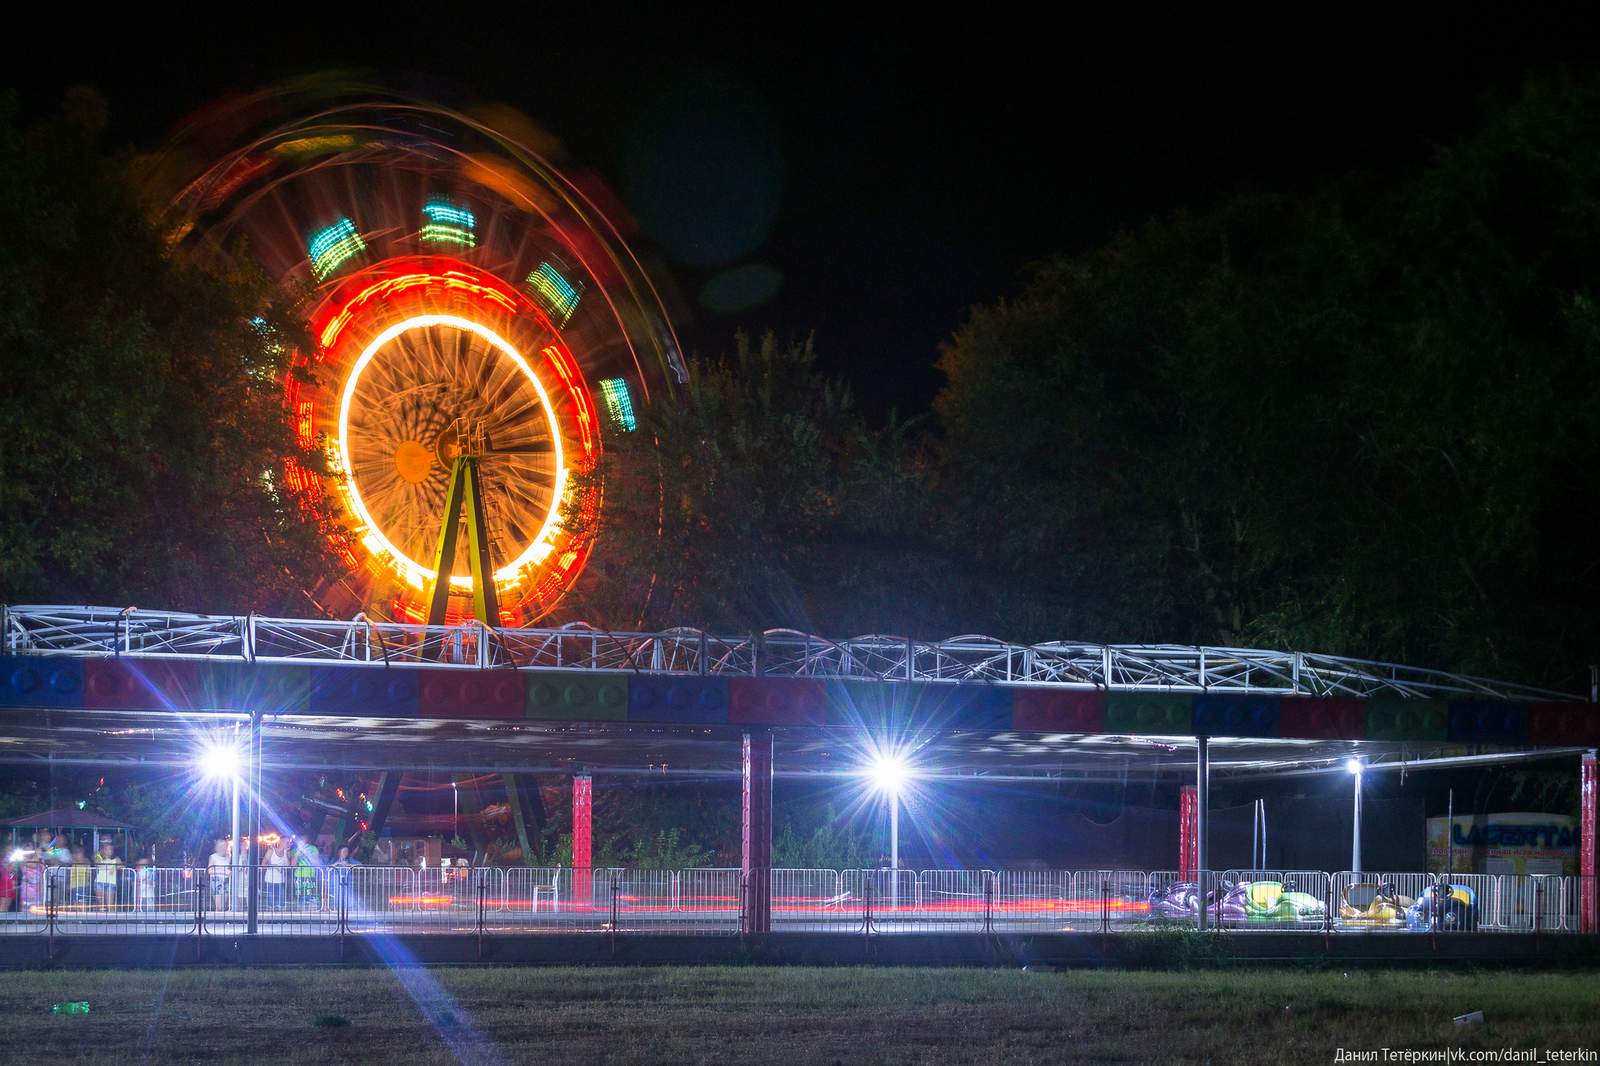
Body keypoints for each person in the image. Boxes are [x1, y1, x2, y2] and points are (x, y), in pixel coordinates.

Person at [93, 840, 122, 909]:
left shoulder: (115, 858)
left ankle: (111, 918)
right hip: (99, 882)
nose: (108, 851)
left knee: (110, 904)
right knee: (101, 904)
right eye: (106, 849)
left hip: (110, 882)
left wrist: (115, 867)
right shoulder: (99, 858)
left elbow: (122, 865)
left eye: (110, 849)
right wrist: (99, 855)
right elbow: (96, 865)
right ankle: (100, 917)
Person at [294, 839, 320, 910]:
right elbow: (292, 865)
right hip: (298, 877)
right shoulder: (294, 849)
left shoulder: (312, 848)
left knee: (312, 898)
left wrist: (306, 853)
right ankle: (302, 918)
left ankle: (312, 918)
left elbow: (317, 863)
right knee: (300, 899)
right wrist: (297, 853)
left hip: (311, 876)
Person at [263, 839, 289, 910]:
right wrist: (276, 866)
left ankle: (282, 919)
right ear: (281, 842)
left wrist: (285, 852)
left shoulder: (287, 853)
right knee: (271, 902)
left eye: (288, 842)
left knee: (281, 902)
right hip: (270, 879)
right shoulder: (271, 850)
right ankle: (270, 919)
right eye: (286, 842)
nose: (288, 844)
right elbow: (264, 863)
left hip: (280, 880)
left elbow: (287, 866)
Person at [207, 838, 231, 913]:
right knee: (219, 906)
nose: (223, 848)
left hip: (226, 881)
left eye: (224, 847)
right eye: (221, 847)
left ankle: (221, 922)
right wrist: (223, 872)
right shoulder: (213, 857)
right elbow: (210, 870)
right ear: (217, 847)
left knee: (224, 906)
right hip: (216, 881)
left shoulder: (228, 858)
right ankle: (216, 920)